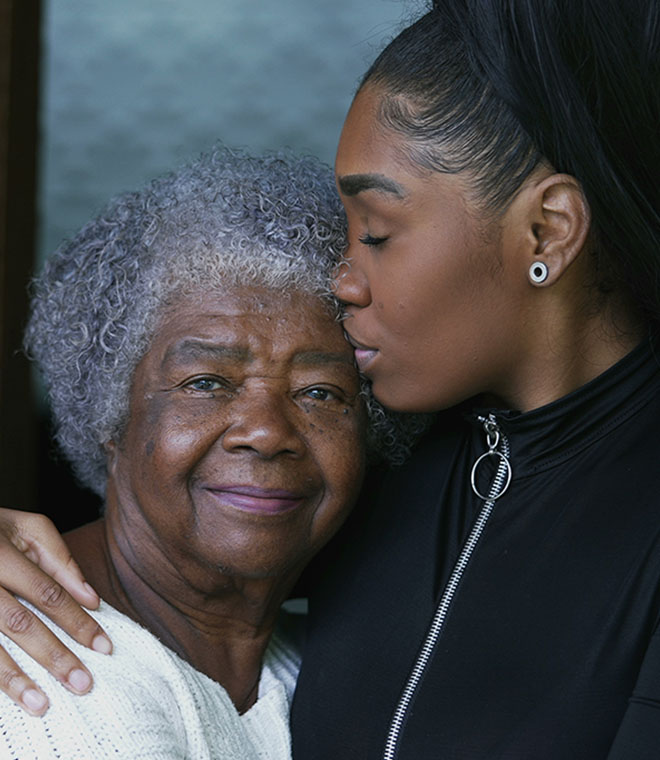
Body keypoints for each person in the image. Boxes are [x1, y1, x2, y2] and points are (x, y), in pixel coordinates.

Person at [0, 0, 658, 756]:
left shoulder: (366, 489)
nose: (344, 279)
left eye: (375, 233)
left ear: (547, 231)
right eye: (208, 381)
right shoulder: (400, 483)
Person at [0, 144, 424, 758]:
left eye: (320, 392)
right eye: (207, 383)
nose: (267, 430)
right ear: (110, 413)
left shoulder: (333, 667)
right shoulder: (39, 686)